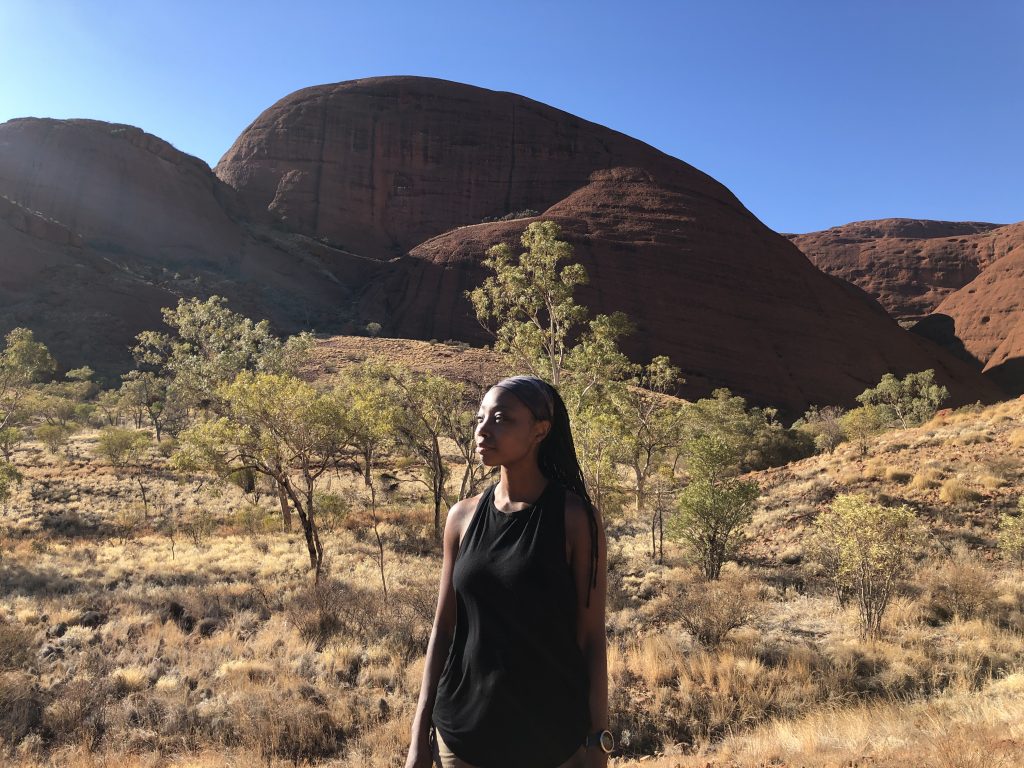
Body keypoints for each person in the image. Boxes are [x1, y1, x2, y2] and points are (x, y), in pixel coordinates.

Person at [404, 375, 613, 768]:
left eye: (501, 419)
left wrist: (597, 744)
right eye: (480, 418)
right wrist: (419, 737)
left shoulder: (575, 520)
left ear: (540, 431)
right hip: (462, 740)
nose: (483, 430)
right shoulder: (461, 517)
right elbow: (443, 630)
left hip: (550, 743)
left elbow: (590, 639)